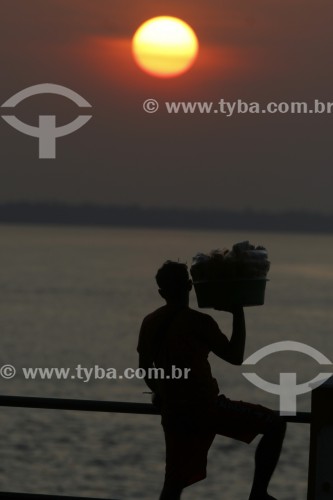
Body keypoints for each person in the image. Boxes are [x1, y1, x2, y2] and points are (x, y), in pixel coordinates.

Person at [137, 261, 286, 500]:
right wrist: (238, 312)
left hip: (174, 413)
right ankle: (258, 494)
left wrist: (161, 392)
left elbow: (145, 368)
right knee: (275, 424)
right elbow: (236, 356)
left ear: (161, 293)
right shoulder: (199, 322)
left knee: (173, 484)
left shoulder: (149, 322)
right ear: (189, 286)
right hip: (206, 408)